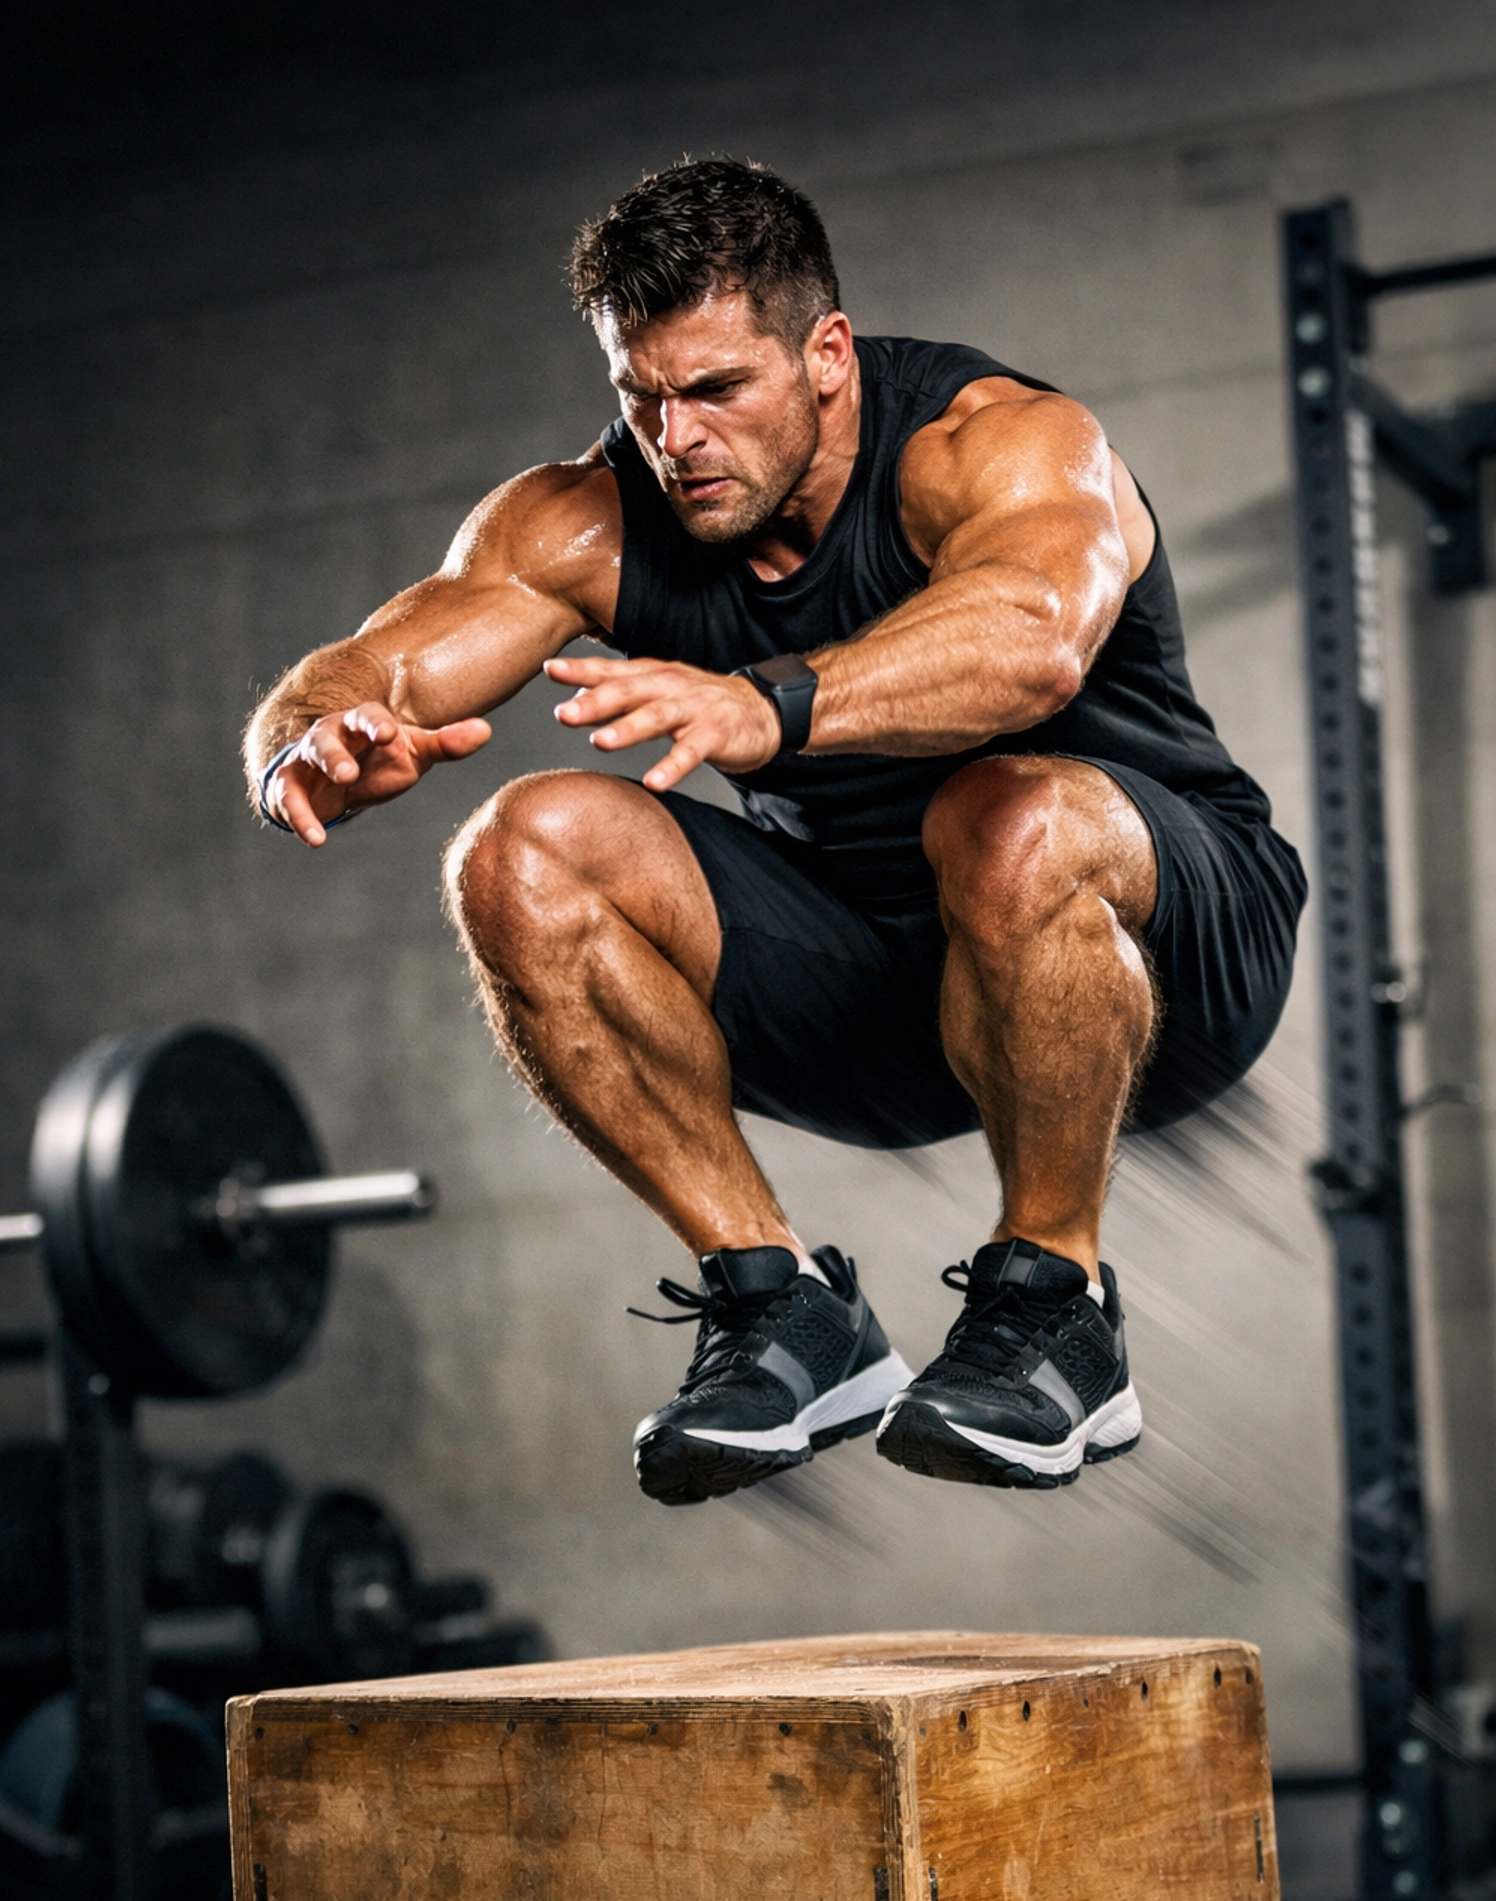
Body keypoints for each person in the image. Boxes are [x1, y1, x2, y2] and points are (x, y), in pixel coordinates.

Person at [244, 158, 1306, 1509]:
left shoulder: (992, 441)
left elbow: (1032, 645)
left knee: (1006, 814)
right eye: (641, 397)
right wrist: (311, 747)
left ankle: (1056, 1310)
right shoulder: (587, 517)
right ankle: (783, 1308)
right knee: (520, 847)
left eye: (716, 391)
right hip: (886, 996)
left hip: (1174, 957)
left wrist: (769, 705)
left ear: (825, 356)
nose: (675, 438)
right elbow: (368, 666)